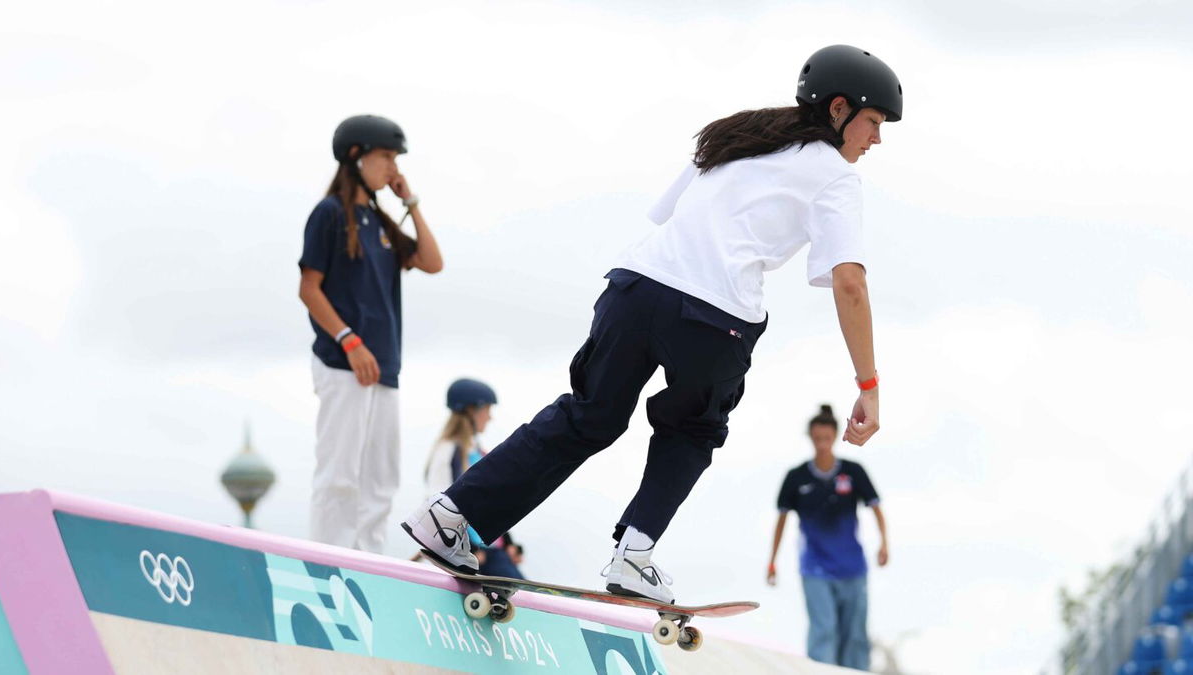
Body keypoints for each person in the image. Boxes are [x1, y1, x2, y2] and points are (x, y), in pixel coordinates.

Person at [402, 44, 900, 602]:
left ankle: (448, 516)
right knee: (693, 429)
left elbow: (669, 216)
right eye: (874, 123)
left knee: (588, 415)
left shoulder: (733, 136)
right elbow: (850, 283)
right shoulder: (834, 175)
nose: (876, 140)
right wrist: (868, 385)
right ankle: (634, 553)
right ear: (838, 110)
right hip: (714, 318)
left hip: (634, 288)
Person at [298, 114, 443, 552]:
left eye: (395, 157)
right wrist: (349, 339)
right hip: (344, 361)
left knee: (381, 479)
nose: (392, 166)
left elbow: (432, 261)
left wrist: (410, 201)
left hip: (384, 366)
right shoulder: (328, 214)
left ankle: (369, 565)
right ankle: (328, 562)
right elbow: (309, 288)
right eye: (385, 156)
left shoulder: (379, 223)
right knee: (340, 475)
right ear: (356, 156)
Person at [767, 404, 889, 670]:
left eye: (826, 438)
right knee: (824, 629)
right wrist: (772, 560)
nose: (822, 444)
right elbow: (782, 519)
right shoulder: (796, 477)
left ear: (835, 436)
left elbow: (876, 508)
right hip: (815, 566)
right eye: (817, 439)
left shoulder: (853, 471)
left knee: (855, 634)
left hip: (852, 566)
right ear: (811, 438)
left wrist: (884, 544)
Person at [423, 379, 525, 578]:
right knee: (525, 598)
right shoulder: (449, 449)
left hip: (492, 551)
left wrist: (509, 543)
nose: (490, 417)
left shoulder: (477, 451)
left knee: (524, 596)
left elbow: (490, 502)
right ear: (472, 410)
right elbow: (438, 501)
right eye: (487, 409)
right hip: (472, 553)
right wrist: (469, 549)